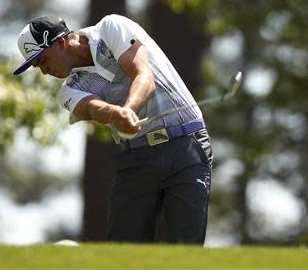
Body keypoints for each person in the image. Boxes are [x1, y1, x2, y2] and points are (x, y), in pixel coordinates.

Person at [13, 14, 213, 244]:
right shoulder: (69, 90)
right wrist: (114, 114)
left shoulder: (111, 29)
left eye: (42, 61)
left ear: (60, 42)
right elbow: (91, 108)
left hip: (187, 146)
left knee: (187, 247)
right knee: (123, 251)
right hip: (136, 159)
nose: (43, 71)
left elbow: (144, 75)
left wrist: (129, 108)